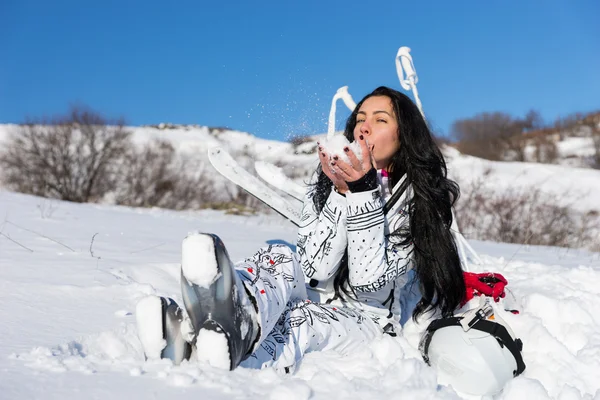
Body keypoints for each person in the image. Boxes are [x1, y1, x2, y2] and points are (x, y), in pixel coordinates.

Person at [135, 86, 466, 372]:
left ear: (404, 135)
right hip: (315, 293)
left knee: (297, 321)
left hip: (366, 321)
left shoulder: (419, 204)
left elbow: (368, 283)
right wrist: (340, 192)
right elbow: (314, 269)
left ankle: (192, 346)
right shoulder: (328, 180)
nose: (365, 127)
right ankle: (229, 311)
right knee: (279, 257)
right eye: (361, 119)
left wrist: (362, 194)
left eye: (381, 120)